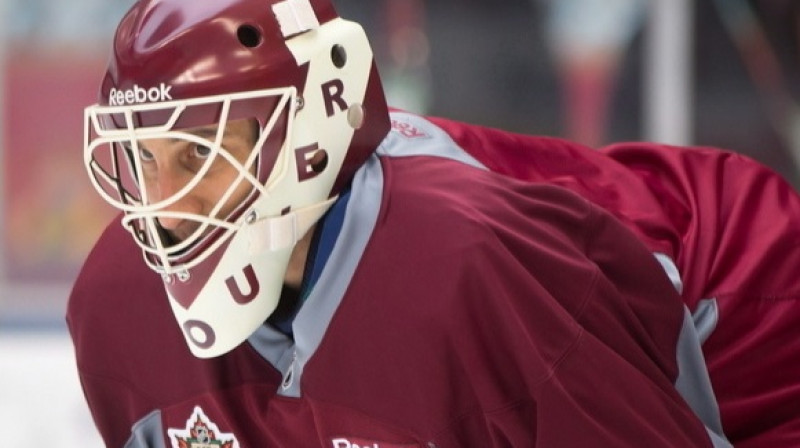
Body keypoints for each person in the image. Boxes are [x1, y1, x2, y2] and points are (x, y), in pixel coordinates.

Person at [69, 0, 800, 447]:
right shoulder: (117, 302)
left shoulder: (461, 274)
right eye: (142, 157)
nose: (166, 200)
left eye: (201, 151)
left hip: (752, 322)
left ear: (309, 129)